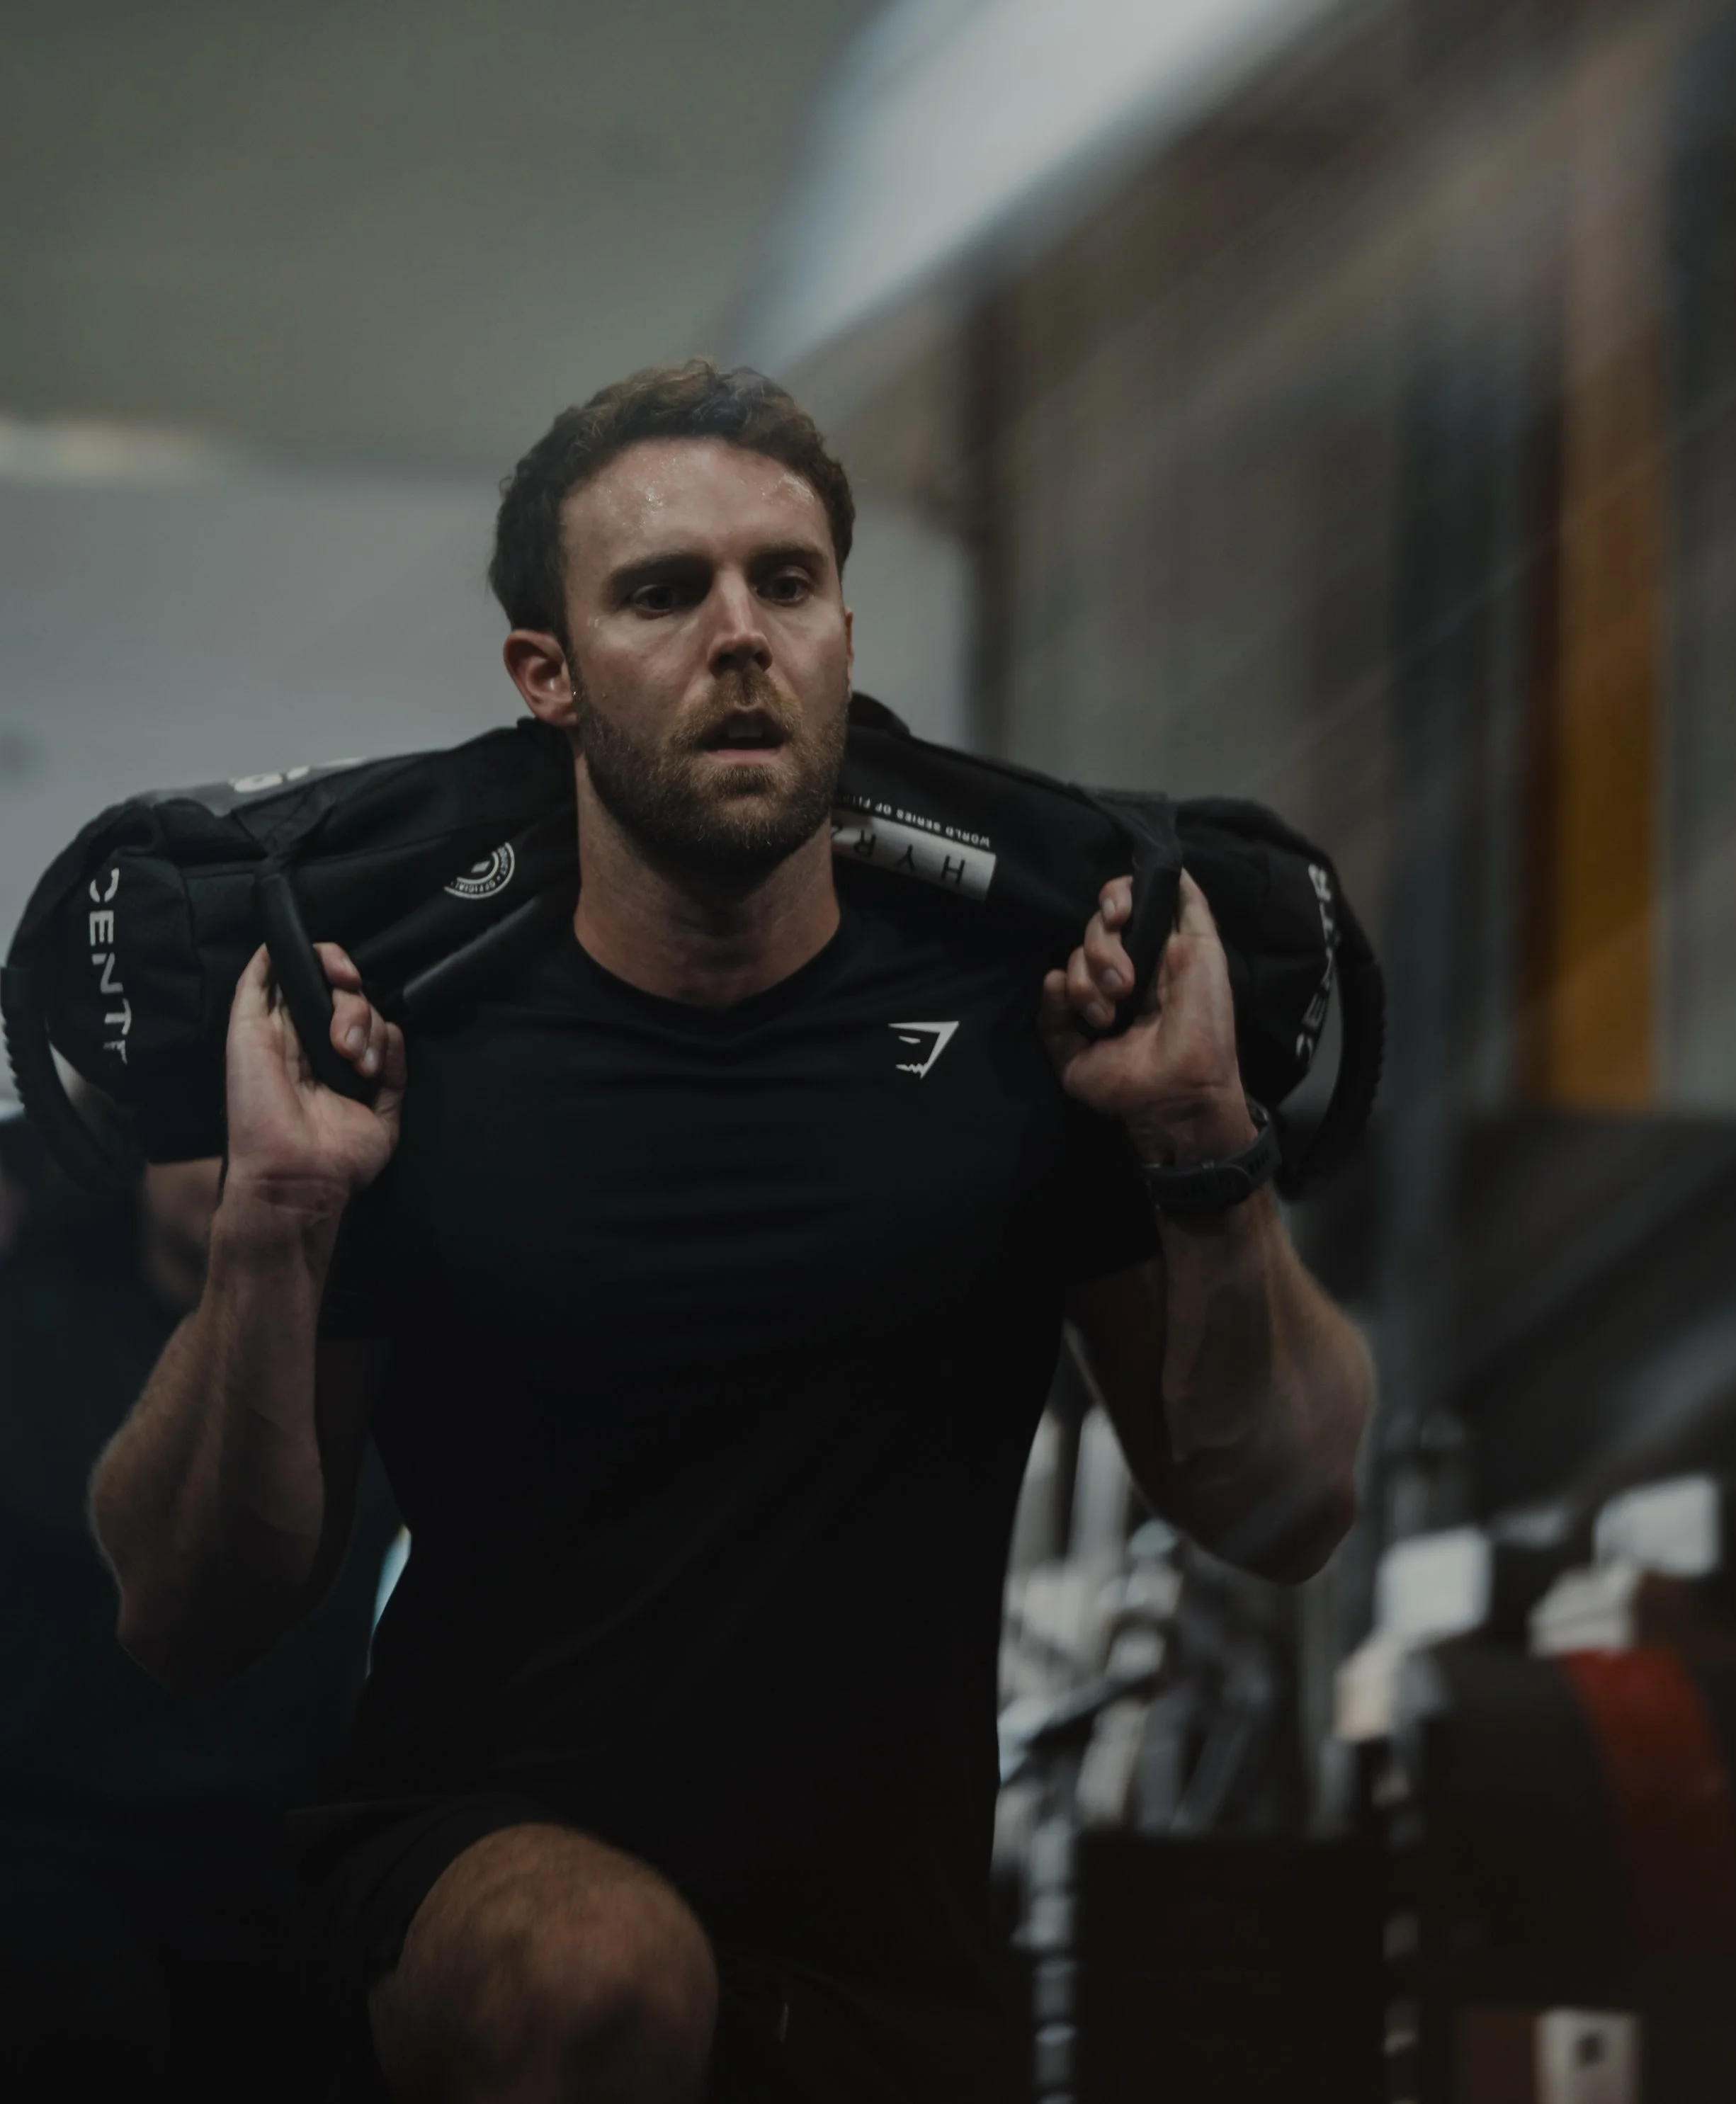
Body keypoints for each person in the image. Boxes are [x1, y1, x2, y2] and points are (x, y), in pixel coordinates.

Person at [89, 360, 1374, 2103]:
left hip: (888, 1966)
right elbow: (183, 1606)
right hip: (471, 1897)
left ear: (845, 630)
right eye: (659, 592)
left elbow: (1282, 1509)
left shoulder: (1024, 1034)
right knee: (597, 1980)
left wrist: (1203, 1149)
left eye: (785, 581)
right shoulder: (410, 1054)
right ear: (545, 677)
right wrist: (277, 1222)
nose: (739, 634)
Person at [0, 1118, 401, 2100]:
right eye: (203, 1125)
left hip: (271, 1857)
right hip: (44, 1843)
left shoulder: (356, 1373)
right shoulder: (27, 1315)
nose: (232, 1158)